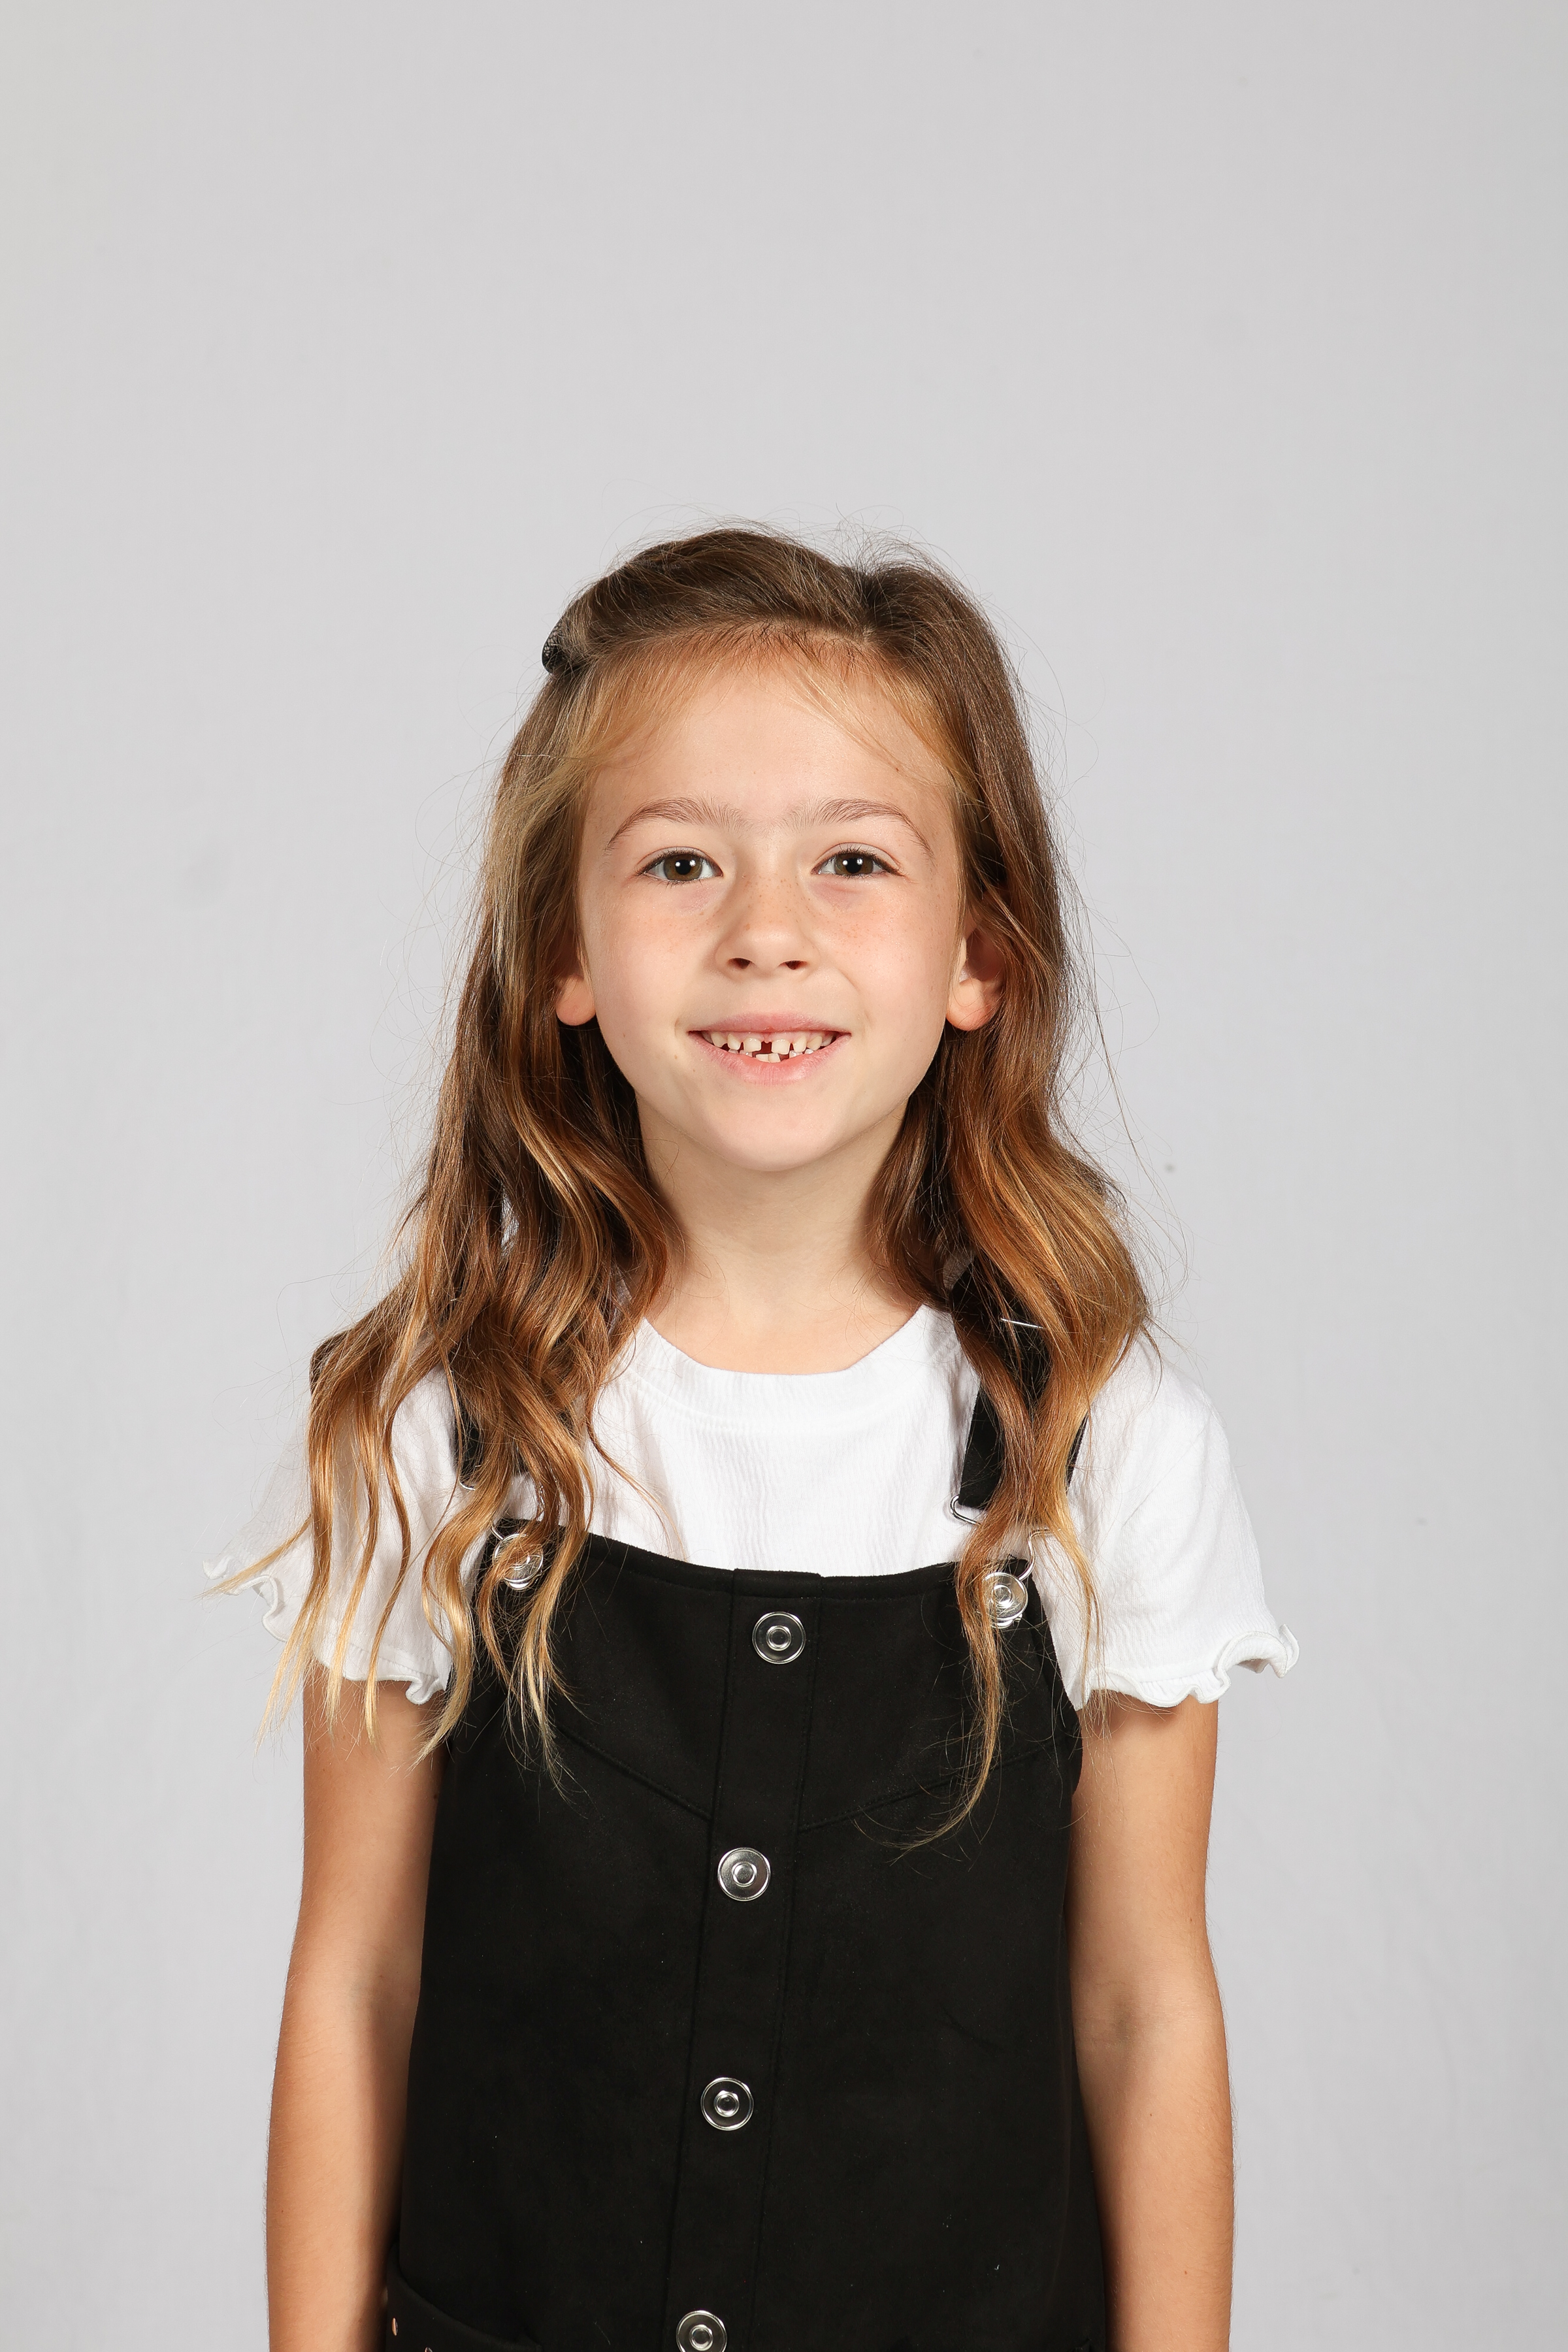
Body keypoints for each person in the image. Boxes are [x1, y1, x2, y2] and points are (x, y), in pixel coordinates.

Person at [214, 526, 1295, 2352]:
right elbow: (356, 1979)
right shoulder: (438, 1434)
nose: (765, 930)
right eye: (681, 862)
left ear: (979, 956)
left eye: (852, 860)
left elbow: (1143, 2008)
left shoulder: (1104, 1451)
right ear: (564, 954)